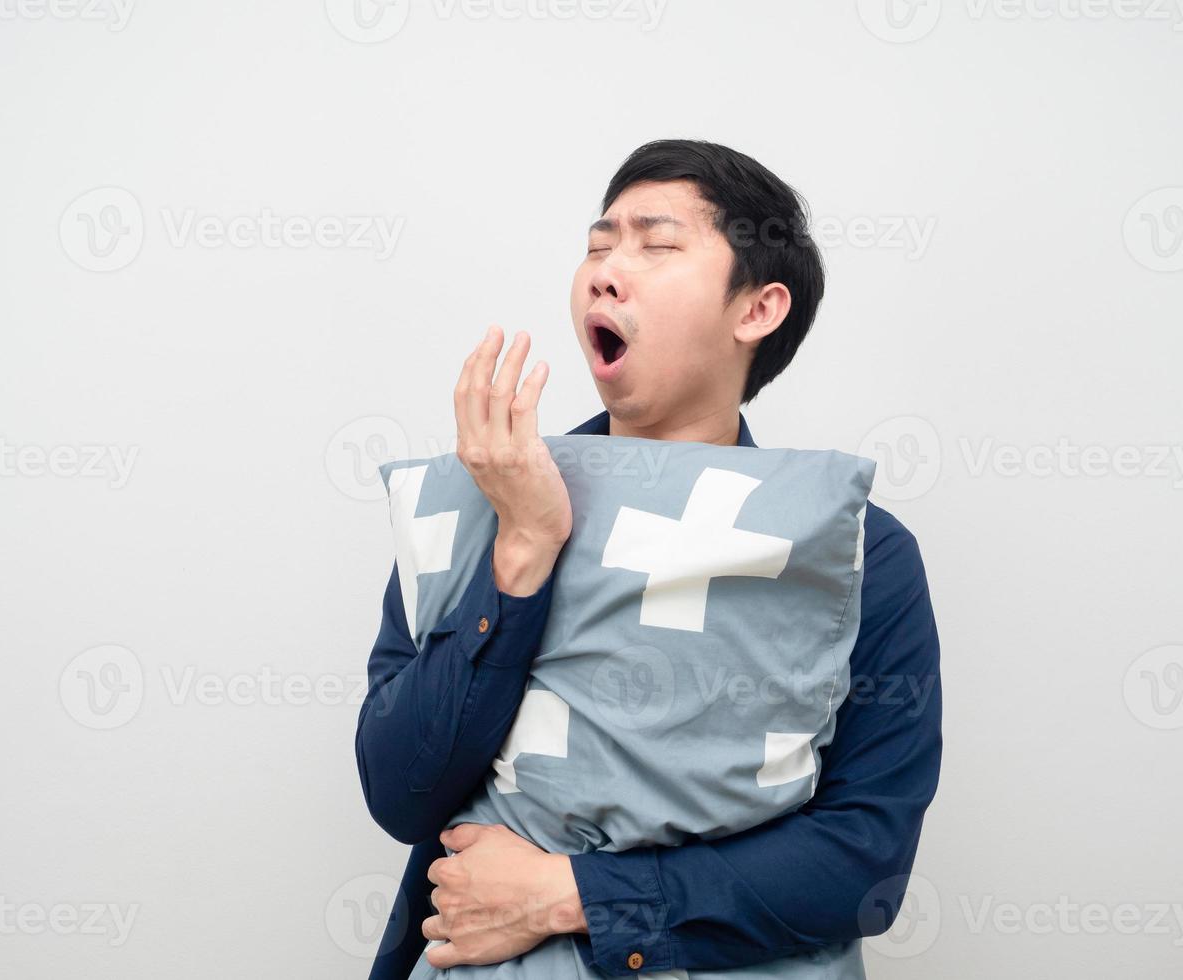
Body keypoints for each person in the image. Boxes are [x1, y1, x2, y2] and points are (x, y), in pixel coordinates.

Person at [356, 139, 942, 978]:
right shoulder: (484, 503)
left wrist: (573, 893)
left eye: (656, 245)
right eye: (598, 246)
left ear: (756, 311)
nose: (605, 271)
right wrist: (521, 551)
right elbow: (401, 791)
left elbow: (863, 863)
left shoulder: (854, 553)